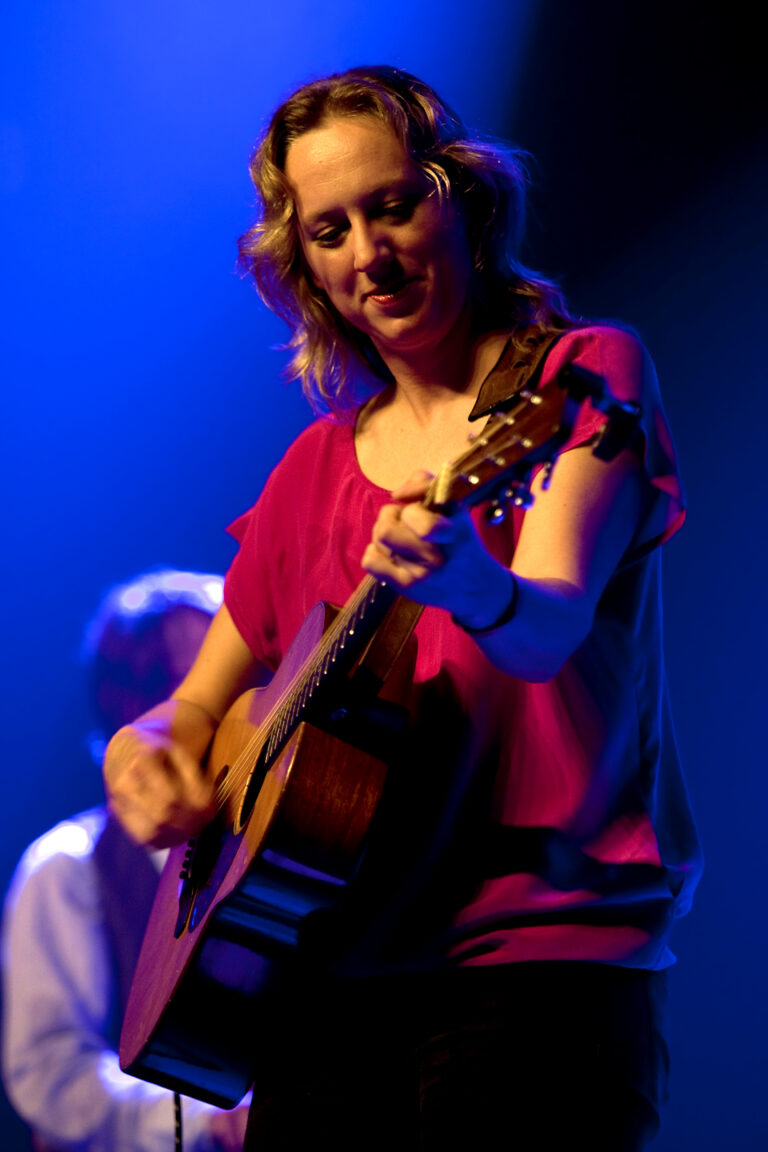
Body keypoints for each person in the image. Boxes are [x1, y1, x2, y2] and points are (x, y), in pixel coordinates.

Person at [102, 67, 702, 1151]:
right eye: (329, 231)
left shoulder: (578, 379)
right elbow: (187, 711)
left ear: (461, 198)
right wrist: (141, 756)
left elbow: (548, 626)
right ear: (304, 267)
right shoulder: (311, 468)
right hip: (323, 984)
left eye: (392, 206)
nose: (369, 254)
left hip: (539, 968)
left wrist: (474, 584)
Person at [2, 570, 250, 1152]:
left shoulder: (262, 842)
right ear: (132, 706)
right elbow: (51, 1071)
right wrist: (209, 1119)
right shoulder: (67, 867)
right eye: (198, 679)